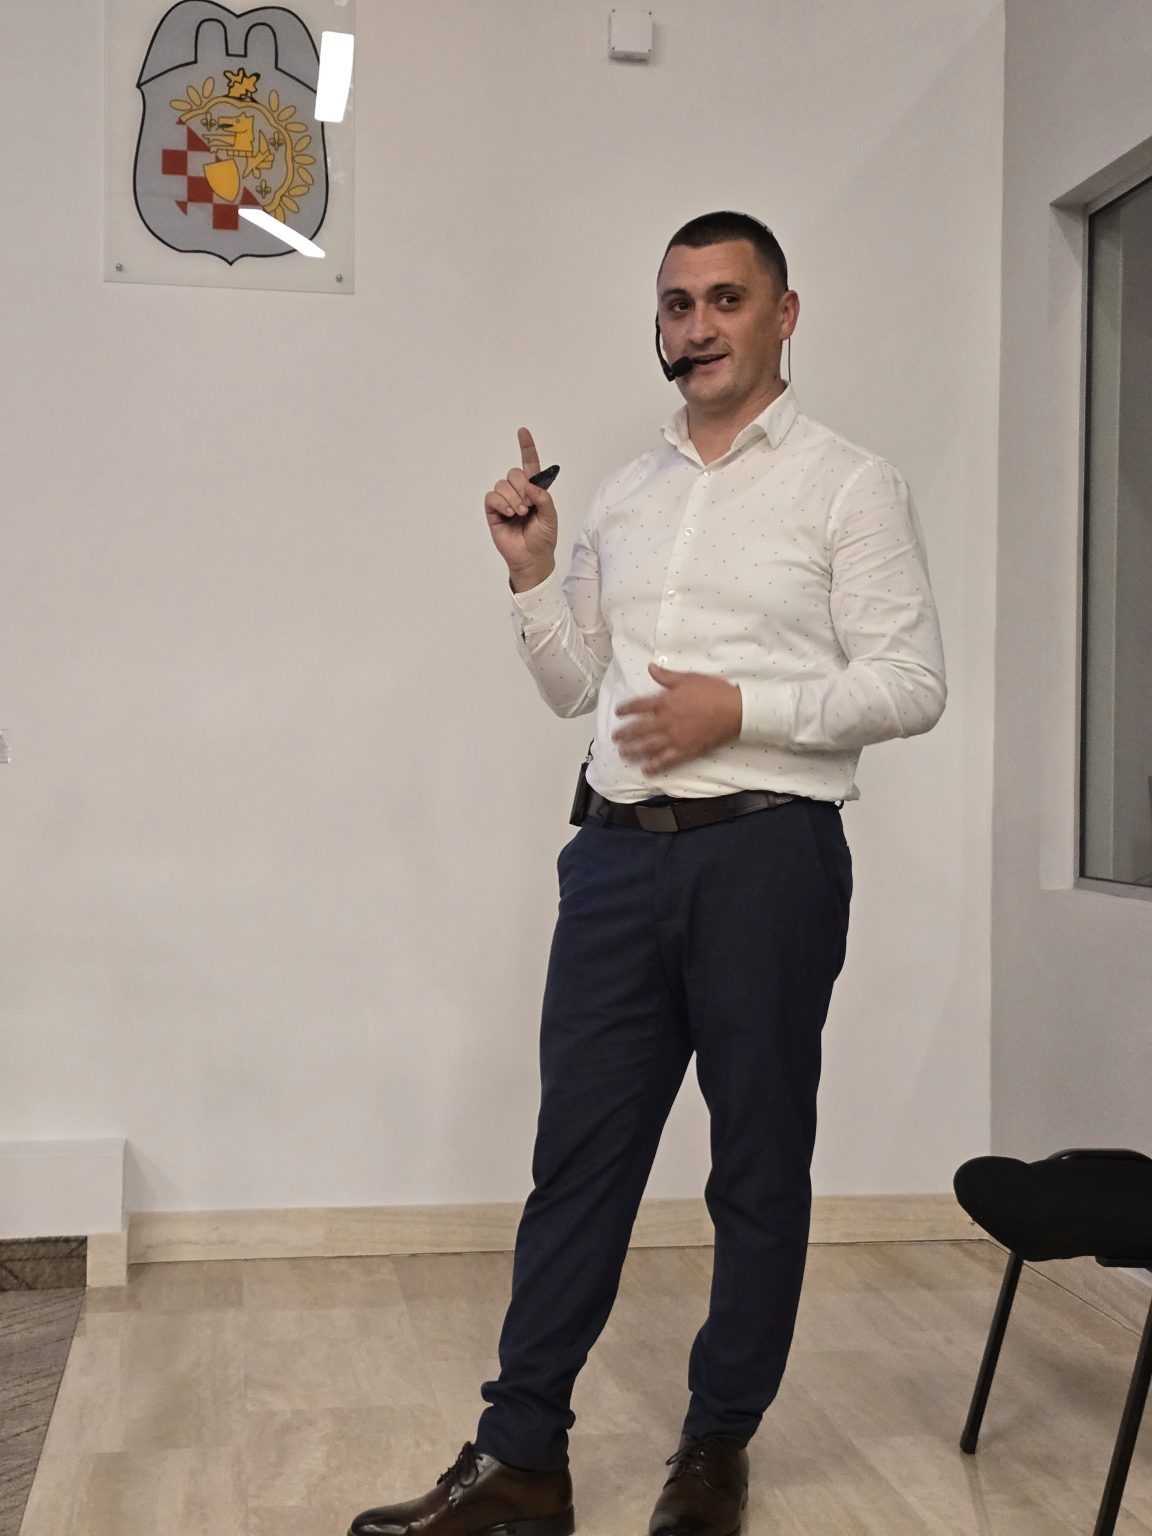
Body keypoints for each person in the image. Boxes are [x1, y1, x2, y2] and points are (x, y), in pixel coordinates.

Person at [348, 210, 947, 1536]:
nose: (698, 326)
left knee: (756, 1168)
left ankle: (714, 1449)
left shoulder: (850, 486)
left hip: (768, 856)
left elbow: (912, 684)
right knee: (578, 1162)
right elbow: (580, 689)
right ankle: (521, 1460)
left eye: (726, 299)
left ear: (785, 315)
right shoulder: (625, 493)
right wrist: (531, 577)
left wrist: (744, 709)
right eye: (678, 304)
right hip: (616, 861)